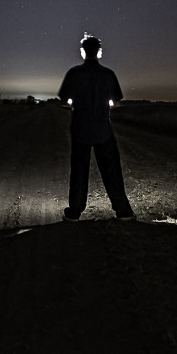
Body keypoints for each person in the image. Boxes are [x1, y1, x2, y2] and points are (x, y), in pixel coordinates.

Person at [57, 33, 135, 221]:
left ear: (83, 52)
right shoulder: (108, 74)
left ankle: (74, 211)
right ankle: (123, 211)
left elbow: (65, 99)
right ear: (98, 52)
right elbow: (116, 99)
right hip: (103, 128)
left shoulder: (74, 73)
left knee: (79, 170)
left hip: (80, 128)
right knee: (111, 170)